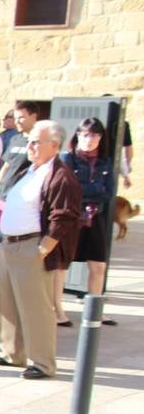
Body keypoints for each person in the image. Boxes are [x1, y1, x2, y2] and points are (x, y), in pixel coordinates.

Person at [0, 121, 83, 380]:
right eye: (30, 141)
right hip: (11, 243)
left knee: (36, 308)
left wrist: (44, 249)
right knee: (8, 303)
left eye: (36, 142)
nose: (29, 146)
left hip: (31, 245)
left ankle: (42, 363)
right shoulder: (32, 170)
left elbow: (65, 216)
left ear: (54, 145)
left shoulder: (61, 175)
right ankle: (12, 352)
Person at [64, 117, 117, 325]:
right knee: (62, 265)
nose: (90, 139)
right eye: (85, 134)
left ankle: (95, 309)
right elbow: (70, 189)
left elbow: (109, 192)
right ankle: (56, 309)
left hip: (96, 218)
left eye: (95, 135)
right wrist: (94, 189)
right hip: (72, 219)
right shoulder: (69, 159)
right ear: (77, 136)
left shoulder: (105, 161)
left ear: (101, 138)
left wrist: (89, 191)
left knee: (98, 265)